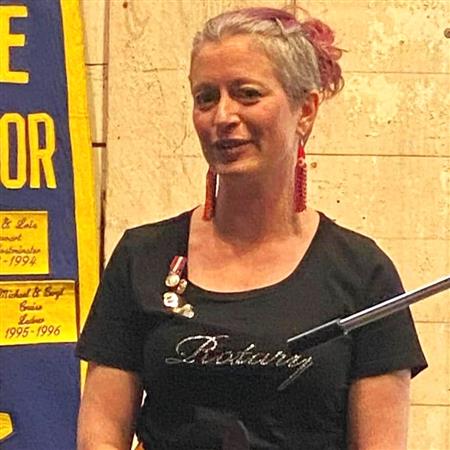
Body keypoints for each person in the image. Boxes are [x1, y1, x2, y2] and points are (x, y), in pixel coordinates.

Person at [76, 6, 427, 450]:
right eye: (206, 97)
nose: (223, 115)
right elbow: (99, 437)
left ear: (306, 110)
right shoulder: (141, 257)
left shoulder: (363, 274)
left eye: (247, 94)